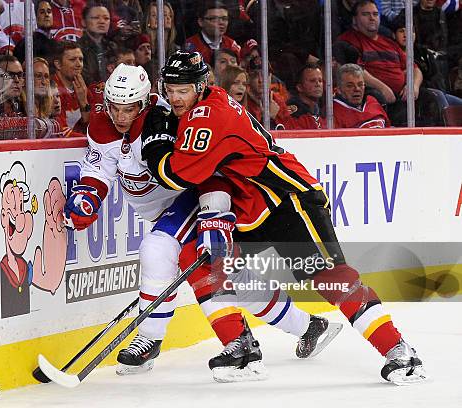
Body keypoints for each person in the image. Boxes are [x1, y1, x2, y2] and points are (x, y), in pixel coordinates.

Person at [140, 50, 427, 385]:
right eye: (170, 88)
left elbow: (172, 175)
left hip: (287, 201)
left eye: (183, 89)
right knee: (202, 259)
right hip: (252, 209)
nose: (175, 97)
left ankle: (400, 351)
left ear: (202, 85)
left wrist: (155, 140)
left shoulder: (208, 115)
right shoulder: (199, 107)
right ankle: (241, 347)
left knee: (330, 279)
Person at [65, 63, 340, 382]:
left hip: (194, 197)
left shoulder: (168, 118)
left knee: (161, 250)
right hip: (161, 208)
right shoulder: (102, 125)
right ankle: (309, 326)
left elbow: (210, 166)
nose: (121, 117)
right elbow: (101, 166)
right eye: (115, 108)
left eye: (129, 109)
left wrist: (214, 212)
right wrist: (88, 195)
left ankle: (193, 342)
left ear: (144, 103)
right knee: (236, 278)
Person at [337, 0, 423, 126]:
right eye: (366, 14)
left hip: (403, 95)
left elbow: (415, 69)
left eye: (375, 14)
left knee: (435, 97)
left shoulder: (390, 43)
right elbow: (356, 70)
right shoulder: (348, 41)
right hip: (376, 94)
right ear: (355, 20)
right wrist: (382, 87)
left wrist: (413, 86)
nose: (372, 18)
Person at [183, 0, 241, 66]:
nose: (221, 23)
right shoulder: (189, 47)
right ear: (201, 22)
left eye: (224, 18)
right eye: (214, 19)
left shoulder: (232, 45)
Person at [334, 63, 390, 128]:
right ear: (338, 89)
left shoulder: (372, 101)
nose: (357, 89)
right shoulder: (333, 112)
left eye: (360, 85)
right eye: (350, 86)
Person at [280, 63, 327, 129]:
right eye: (312, 81)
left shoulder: (324, 110)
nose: (318, 84)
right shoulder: (294, 113)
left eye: (320, 80)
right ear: (299, 87)